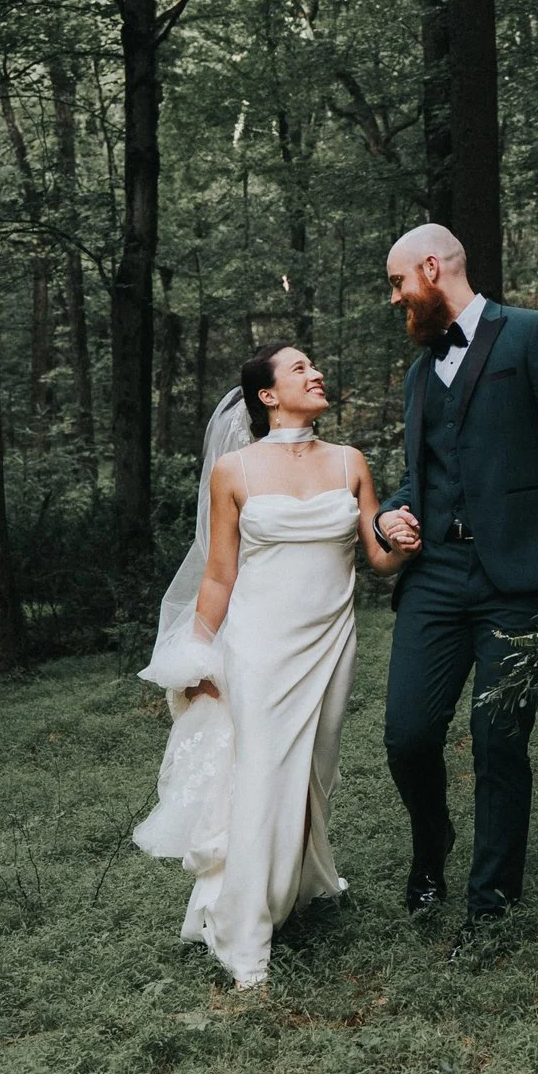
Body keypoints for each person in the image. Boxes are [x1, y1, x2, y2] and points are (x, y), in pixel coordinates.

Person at [133, 343, 413, 990]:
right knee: (262, 774)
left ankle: (298, 883)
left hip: (331, 644)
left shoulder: (351, 462)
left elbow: (378, 556)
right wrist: (194, 653)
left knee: (313, 770)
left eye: (316, 364)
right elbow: (220, 572)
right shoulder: (234, 470)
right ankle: (246, 941)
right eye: (299, 368)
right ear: (267, 395)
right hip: (258, 645)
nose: (316, 372)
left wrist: (402, 542)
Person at [374, 223, 538, 961]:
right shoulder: (418, 376)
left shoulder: (532, 335)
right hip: (436, 578)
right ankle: (432, 834)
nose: (394, 298)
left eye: (397, 282)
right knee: (406, 734)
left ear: (432, 267)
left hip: (520, 574)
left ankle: (490, 911)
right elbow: (423, 473)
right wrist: (392, 512)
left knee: (497, 737)